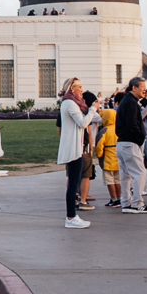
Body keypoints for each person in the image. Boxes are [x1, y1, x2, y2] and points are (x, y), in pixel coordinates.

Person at [58, 77, 98, 228]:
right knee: (73, 184)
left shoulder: (70, 103)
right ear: (71, 88)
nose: (82, 89)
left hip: (76, 147)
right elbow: (83, 122)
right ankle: (70, 217)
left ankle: (72, 216)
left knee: (74, 183)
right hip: (73, 148)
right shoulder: (69, 103)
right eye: (79, 87)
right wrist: (93, 108)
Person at [116, 77, 147, 213]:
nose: (144, 90)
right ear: (134, 88)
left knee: (125, 175)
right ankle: (137, 203)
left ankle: (126, 203)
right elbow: (132, 124)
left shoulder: (126, 101)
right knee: (139, 173)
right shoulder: (132, 103)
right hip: (130, 143)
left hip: (121, 143)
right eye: (142, 87)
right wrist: (140, 137)